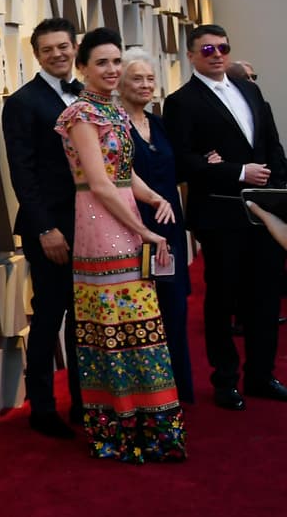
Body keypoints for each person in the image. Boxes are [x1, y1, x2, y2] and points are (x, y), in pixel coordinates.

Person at [54, 29, 187, 463]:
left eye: (116, 62)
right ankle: (119, 433)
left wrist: (153, 198)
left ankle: (155, 431)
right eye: (102, 64)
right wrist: (144, 230)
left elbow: (126, 175)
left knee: (144, 329)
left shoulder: (113, 111)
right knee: (113, 332)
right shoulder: (80, 115)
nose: (112, 71)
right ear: (83, 69)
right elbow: (100, 184)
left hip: (125, 218)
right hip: (99, 227)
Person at [163, 24, 287, 410]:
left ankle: (261, 375)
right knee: (222, 297)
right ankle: (226, 381)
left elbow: (272, 145)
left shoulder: (249, 89)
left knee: (266, 296)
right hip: (218, 212)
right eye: (207, 49)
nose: (216, 54)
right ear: (192, 55)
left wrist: (280, 192)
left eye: (222, 47)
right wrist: (235, 170)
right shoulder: (181, 101)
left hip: (264, 212)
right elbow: (182, 162)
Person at [1, 18, 83, 438]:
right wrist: (46, 228)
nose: (57, 54)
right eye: (48, 49)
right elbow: (23, 173)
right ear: (37, 54)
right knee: (50, 316)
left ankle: (84, 402)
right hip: (48, 229)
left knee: (83, 318)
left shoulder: (87, 97)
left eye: (63, 47)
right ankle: (43, 409)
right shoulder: (22, 102)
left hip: (89, 226)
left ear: (74, 48)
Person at [119, 49, 195, 403]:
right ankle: (150, 393)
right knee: (141, 312)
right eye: (137, 78)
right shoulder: (114, 126)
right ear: (120, 82)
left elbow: (177, 168)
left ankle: (178, 388)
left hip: (168, 231)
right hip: (133, 228)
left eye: (150, 78)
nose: (146, 84)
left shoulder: (159, 122)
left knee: (173, 304)